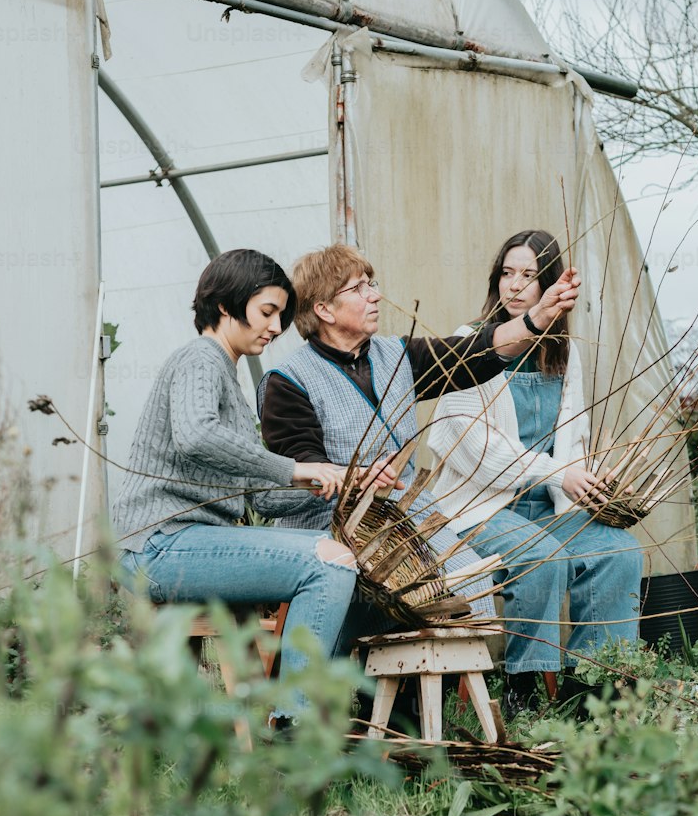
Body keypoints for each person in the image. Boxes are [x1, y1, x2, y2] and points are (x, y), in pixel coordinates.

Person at [257, 243, 580, 635]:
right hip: (330, 527)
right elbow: (301, 463)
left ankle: (430, 692)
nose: (375, 295)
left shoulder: (396, 354)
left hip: (403, 516)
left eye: (370, 284)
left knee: (468, 586)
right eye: (359, 288)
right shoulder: (288, 380)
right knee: (394, 599)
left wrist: (536, 318)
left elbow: (473, 353)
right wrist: (354, 476)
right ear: (324, 309)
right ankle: (371, 686)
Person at [111, 247, 360, 723]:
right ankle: (294, 721)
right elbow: (196, 435)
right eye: (267, 311)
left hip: (184, 543)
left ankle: (290, 711)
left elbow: (261, 496)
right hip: (159, 546)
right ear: (227, 305)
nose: (275, 326)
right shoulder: (201, 358)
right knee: (329, 561)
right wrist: (294, 468)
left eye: (281, 316)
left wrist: (336, 482)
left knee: (334, 555)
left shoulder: (224, 374)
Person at [427, 229, 643, 716]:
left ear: (549, 285)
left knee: (619, 551)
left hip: (546, 507)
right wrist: (553, 473)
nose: (515, 286)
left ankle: (596, 695)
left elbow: (571, 443)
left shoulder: (565, 353)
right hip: (477, 508)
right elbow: (466, 447)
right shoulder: (471, 343)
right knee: (541, 556)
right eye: (507, 273)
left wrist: (590, 476)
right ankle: (526, 693)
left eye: (529, 275)